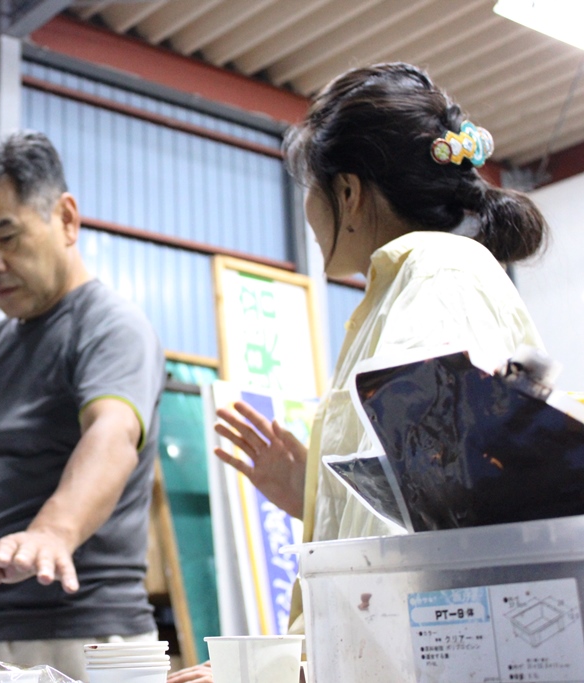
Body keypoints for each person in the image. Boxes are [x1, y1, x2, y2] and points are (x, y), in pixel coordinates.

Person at [170, 62, 547, 683]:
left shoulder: (437, 283)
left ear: (347, 193)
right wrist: (314, 494)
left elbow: (431, 544)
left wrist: (282, 675)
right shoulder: (414, 285)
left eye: (310, 189)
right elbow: (431, 498)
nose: (308, 209)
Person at [0, 130, 166, 680]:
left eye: (8, 237)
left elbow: (112, 434)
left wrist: (53, 532)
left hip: (83, 632)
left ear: (66, 219)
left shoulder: (110, 327)